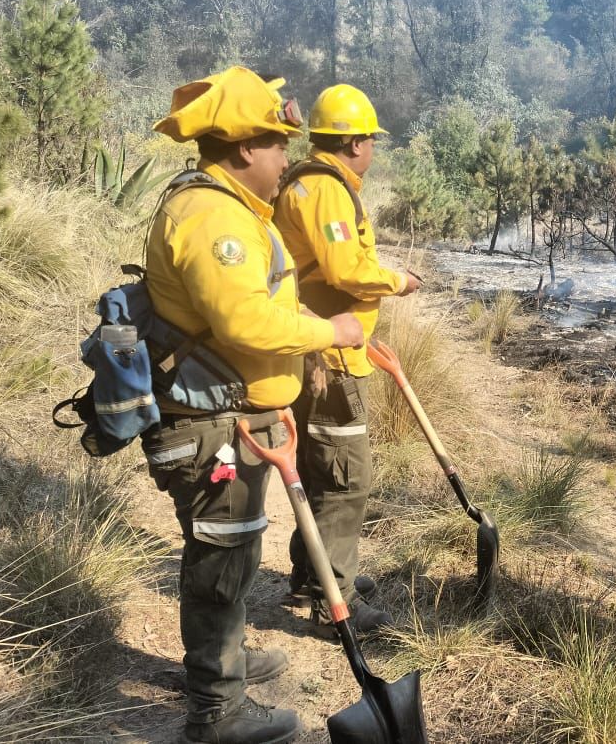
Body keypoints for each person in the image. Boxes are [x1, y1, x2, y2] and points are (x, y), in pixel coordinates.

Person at [144, 66, 364, 744]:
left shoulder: (232, 207)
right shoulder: (214, 218)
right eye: (277, 144)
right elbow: (247, 325)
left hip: (237, 417)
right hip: (210, 429)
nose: (285, 159)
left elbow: (257, 313)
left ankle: (225, 663)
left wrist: (279, 400)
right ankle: (217, 709)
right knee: (222, 558)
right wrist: (333, 331)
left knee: (231, 552)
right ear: (243, 148)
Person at [273, 83, 421, 639]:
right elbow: (344, 271)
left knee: (318, 466)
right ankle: (333, 599)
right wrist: (398, 281)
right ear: (354, 142)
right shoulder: (327, 190)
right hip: (331, 357)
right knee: (344, 477)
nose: (374, 150)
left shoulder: (309, 183)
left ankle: (313, 572)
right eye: (372, 141)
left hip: (322, 349)